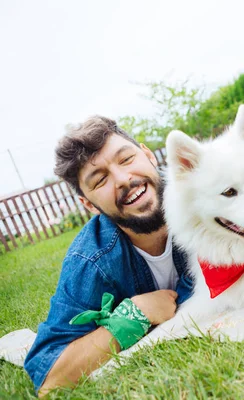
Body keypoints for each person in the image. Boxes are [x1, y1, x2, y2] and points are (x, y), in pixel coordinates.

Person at [24, 117, 195, 397]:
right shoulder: (91, 261)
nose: (123, 180)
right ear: (89, 204)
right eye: (100, 179)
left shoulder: (202, 193)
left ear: (149, 155)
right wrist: (132, 319)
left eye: (126, 159)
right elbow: (48, 378)